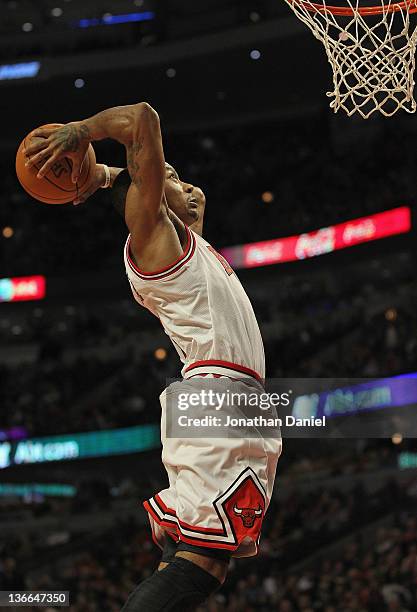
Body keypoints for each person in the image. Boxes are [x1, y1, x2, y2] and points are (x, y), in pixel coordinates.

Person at [25, 102, 282, 611]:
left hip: (227, 397)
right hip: (219, 396)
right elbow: (142, 118)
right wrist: (86, 138)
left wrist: (101, 176)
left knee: (184, 555)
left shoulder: (189, 243)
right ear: (149, 198)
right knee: (204, 562)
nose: (178, 178)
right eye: (165, 174)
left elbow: (155, 182)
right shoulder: (152, 238)